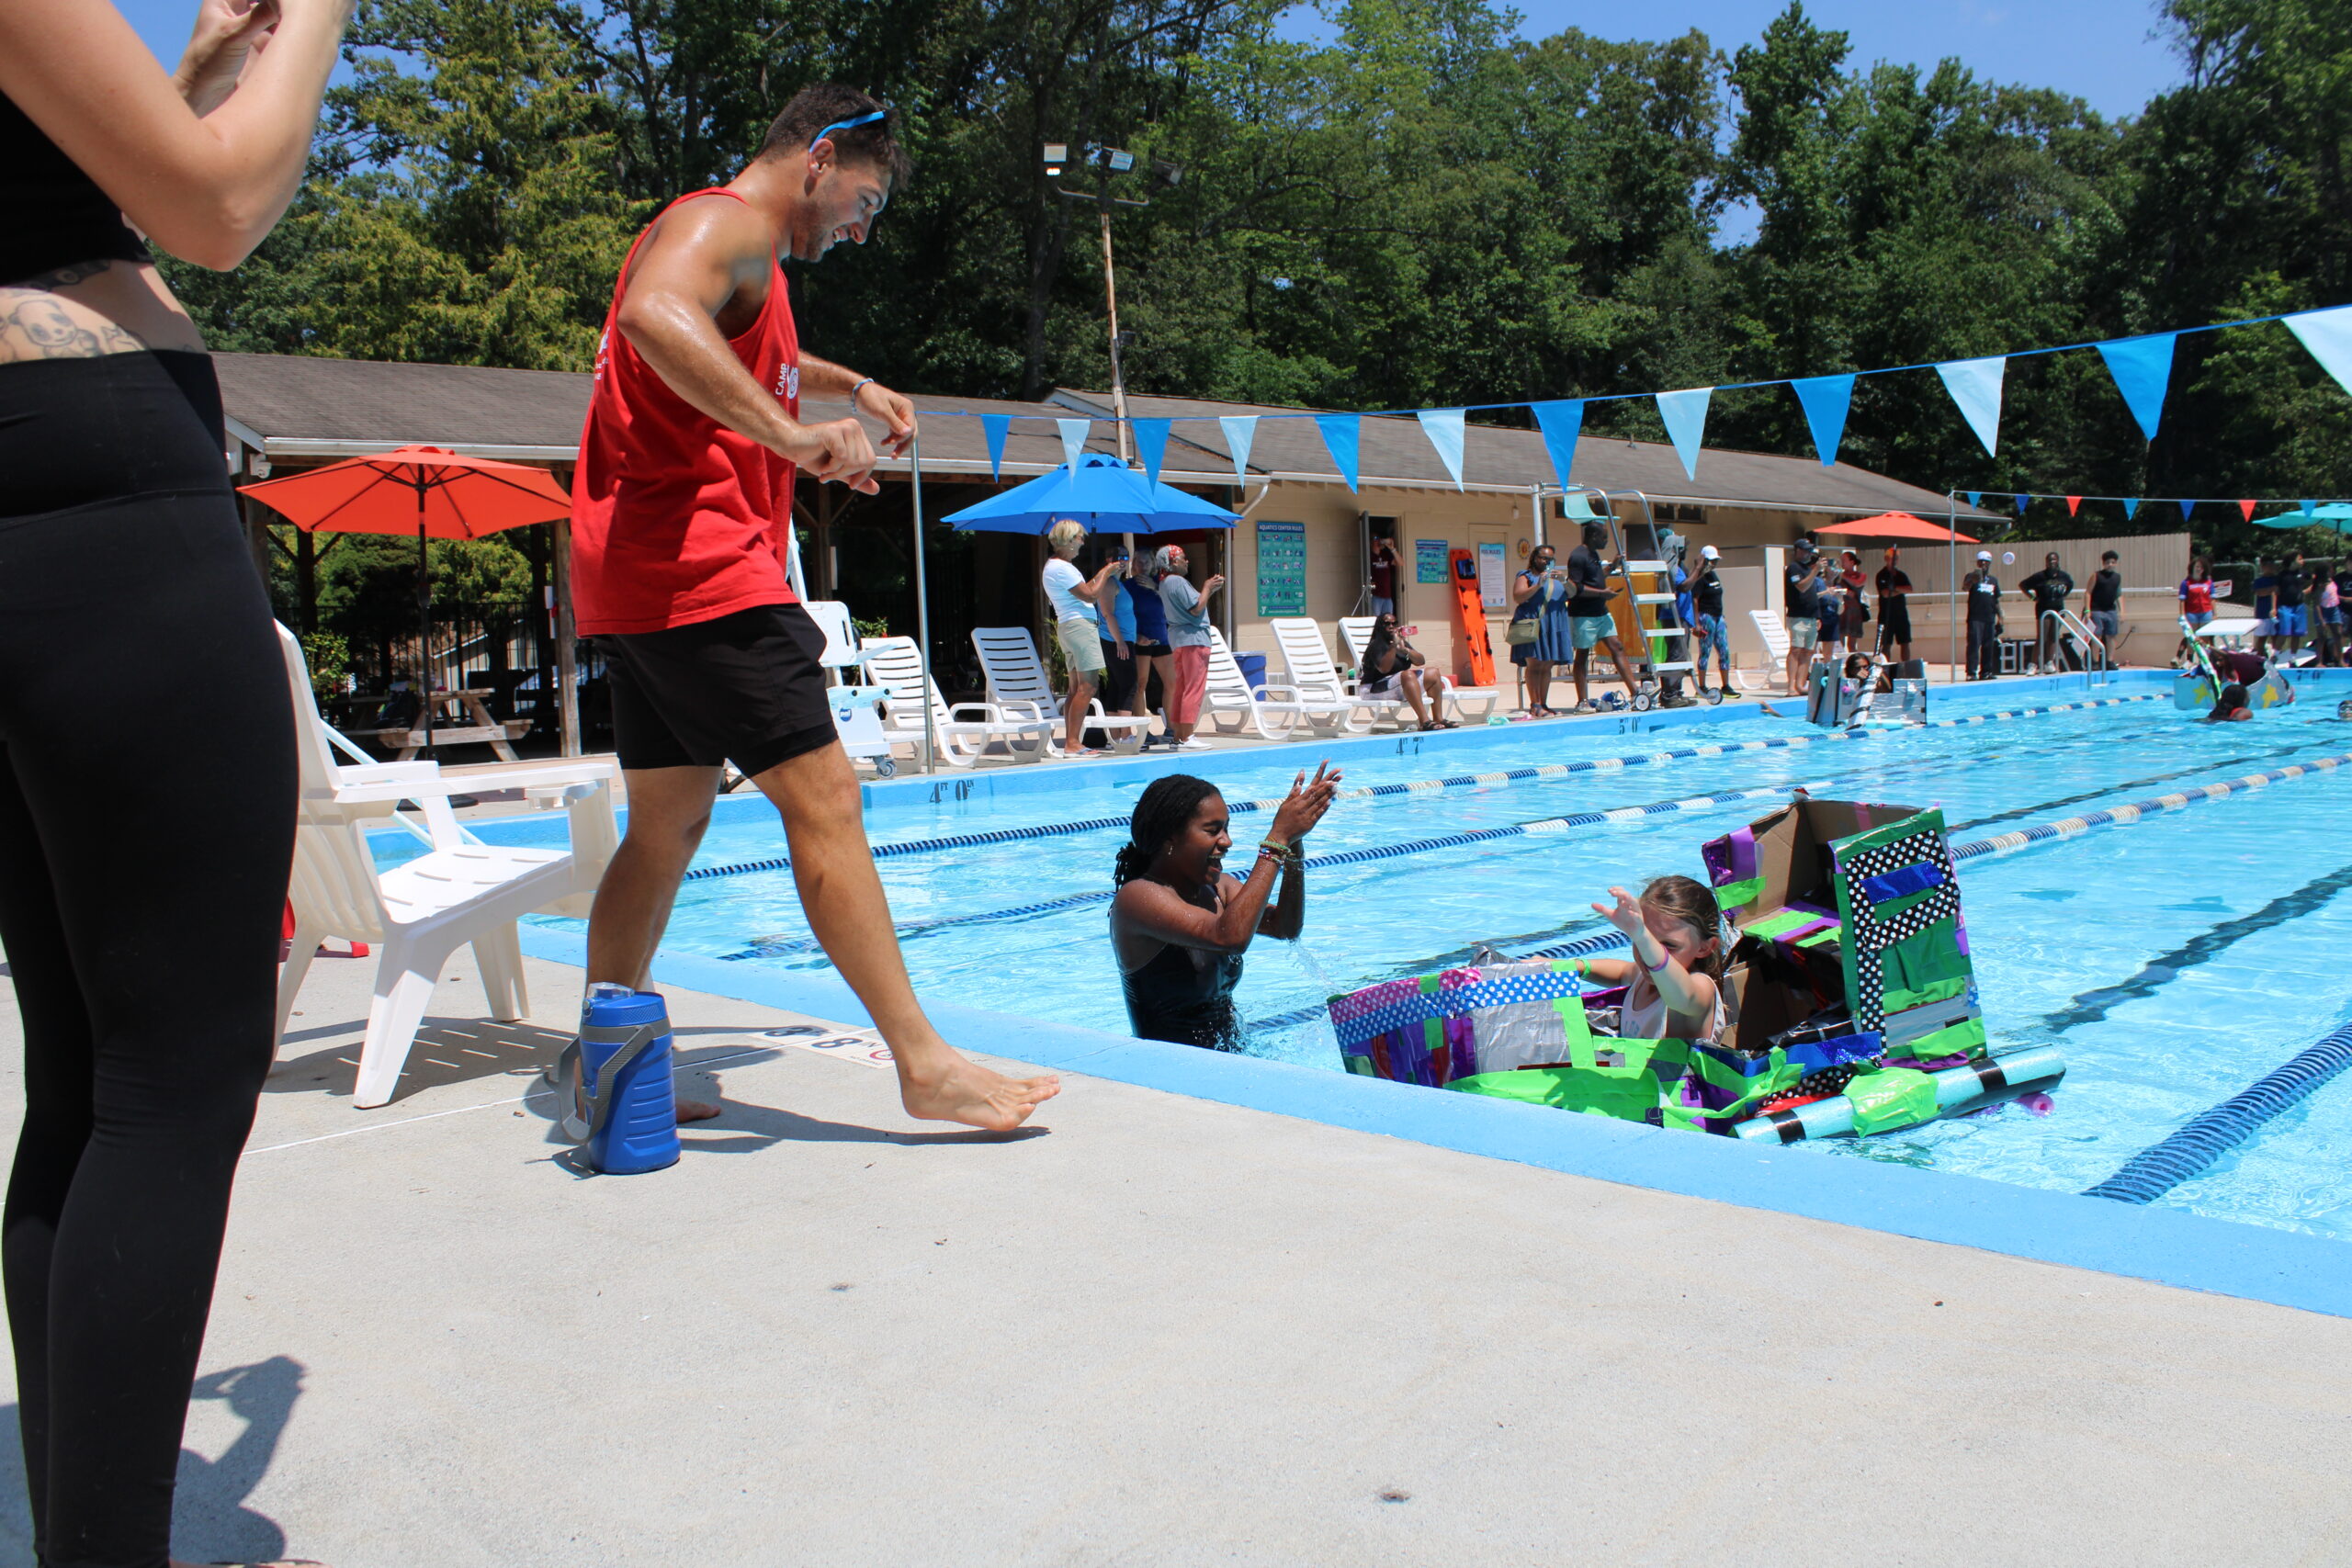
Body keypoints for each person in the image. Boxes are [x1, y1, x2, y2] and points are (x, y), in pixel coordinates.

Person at [1, 0, 350, 1560]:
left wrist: (193, 70)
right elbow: (218, 205)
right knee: (174, 1080)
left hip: (33, 491)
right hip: (93, 483)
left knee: (85, 1073)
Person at [568, 86, 1058, 1138]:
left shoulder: (736, 254)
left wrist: (851, 387)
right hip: (700, 572)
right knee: (828, 800)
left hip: (635, 575)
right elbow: (655, 316)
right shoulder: (724, 223)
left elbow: (754, 357)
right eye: (864, 203)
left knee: (664, 827)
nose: (859, 230)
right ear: (821, 157)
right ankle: (923, 1064)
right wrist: (794, 440)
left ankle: (610, 1054)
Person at [1110, 766, 1341, 1050]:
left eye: (1226, 828)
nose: (1227, 841)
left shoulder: (1219, 888)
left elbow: (1285, 927)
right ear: (1170, 838)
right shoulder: (1138, 897)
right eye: (1212, 830)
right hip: (1171, 1065)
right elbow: (1230, 937)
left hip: (1231, 1056)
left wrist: (1293, 843)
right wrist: (1276, 841)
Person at [1575, 876, 1728, 1043]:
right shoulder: (1643, 978)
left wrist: (1643, 937)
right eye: (1646, 940)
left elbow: (1681, 996)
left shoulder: (1700, 989)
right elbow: (1621, 972)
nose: (1647, 954)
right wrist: (1576, 967)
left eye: (1669, 945)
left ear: (1704, 948)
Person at [1040, 517, 1121, 757]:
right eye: (1079, 537)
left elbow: (1085, 589)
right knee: (1088, 686)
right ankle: (1073, 743)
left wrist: (1102, 573)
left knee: (1076, 688)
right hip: (1080, 627)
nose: (1083, 542)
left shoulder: (1055, 566)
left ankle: (1071, 742)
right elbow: (1091, 595)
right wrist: (1106, 572)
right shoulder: (1062, 568)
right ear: (1068, 539)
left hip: (1070, 627)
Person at [1566, 520, 1641, 711]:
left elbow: (1595, 578)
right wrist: (1602, 594)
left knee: (1617, 646)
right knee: (1582, 655)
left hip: (1601, 612)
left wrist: (1612, 567)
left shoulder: (1594, 554)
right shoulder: (1577, 556)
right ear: (1593, 536)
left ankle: (1636, 693)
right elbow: (1574, 587)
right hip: (1584, 614)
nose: (1606, 541)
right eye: (1604, 537)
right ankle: (1582, 701)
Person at [1157, 541, 1222, 750]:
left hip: (1178, 640)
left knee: (1182, 689)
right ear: (1173, 562)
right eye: (1183, 558)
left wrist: (1208, 591)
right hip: (1194, 639)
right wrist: (1207, 587)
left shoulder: (1165, 583)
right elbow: (1195, 608)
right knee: (1193, 689)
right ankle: (1187, 737)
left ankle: (1178, 736)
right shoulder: (1178, 581)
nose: (1187, 561)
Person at [1509, 542, 1575, 716]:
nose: (1546, 562)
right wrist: (1538, 585)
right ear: (1534, 558)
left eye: (1550, 559)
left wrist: (1564, 580)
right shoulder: (1526, 576)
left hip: (1554, 624)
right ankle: (1535, 704)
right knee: (1535, 663)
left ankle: (1543, 703)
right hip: (1535, 623)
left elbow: (1573, 592)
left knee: (1547, 665)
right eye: (1543, 558)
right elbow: (1518, 597)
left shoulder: (1557, 578)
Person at [1362, 613, 1454, 730]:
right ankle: (1424, 721)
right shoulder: (1375, 645)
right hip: (1372, 690)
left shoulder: (1400, 643)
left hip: (1395, 686)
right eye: (1387, 623)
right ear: (1380, 626)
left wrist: (1404, 649)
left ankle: (1438, 718)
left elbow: (1421, 661)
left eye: (1394, 623)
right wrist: (1394, 646)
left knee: (1433, 673)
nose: (1391, 626)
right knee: (1408, 675)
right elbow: (1384, 669)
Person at [1122, 552, 1174, 738]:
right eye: (1139, 562)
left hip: (1161, 638)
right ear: (1133, 565)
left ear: (1153, 564)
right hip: (1140, 640)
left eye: (1146, 561)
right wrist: (1135, 636)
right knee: (1140, 684)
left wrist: (1156, 588)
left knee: (1172, 682)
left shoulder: (1160, 584)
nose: (1143, 565)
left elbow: (1174, 604)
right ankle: (1143, 730)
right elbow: (1121, 614)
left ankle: (1171, 727)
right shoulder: (1127, 586)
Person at [1098, 543, 1139, 718]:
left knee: (1117, 685)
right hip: (1115, 640)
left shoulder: (1117, 583)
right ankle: (1126, 731)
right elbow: (1108, 614)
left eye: (1125, 557)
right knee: (1129, 685)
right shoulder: (1108, 582)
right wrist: (1120, 641)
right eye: (1118, 558)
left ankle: (1115, 732)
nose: (1123, 561)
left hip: (1122, 639)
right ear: (1109, 560)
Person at [2018, 551, 2075, 671]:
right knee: (2042, 637)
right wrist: (2033, 598)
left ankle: (2049, 662)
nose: (2052, 562)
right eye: (2050, 560)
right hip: (2043, 609)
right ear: (2046, 562)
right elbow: (2022, 585)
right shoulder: (2040, 577)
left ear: (2058, 561)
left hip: (2058, 609)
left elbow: (2070, 585)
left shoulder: (2063, 576)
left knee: (2053, 637)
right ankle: (2033, 664)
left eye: (2054, 559)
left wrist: (2063, 595)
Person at [1689, 544, 1731, 697]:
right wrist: (1696, 623)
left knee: (1724, 651)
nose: (1713, 564)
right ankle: (1701, 687)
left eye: (1715, 561)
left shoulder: (1713, 575)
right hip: (1706, 616)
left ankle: (1726, 685)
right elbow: (1694, 600)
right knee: (1705, 651)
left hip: (1718, 617)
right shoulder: (1700, 578)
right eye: (1711, 561)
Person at [1782, 538, 1824, 694]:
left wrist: (1818, 617)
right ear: (1798, 550)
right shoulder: (1794, 568)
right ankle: (1790, 687)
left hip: (1811, 617)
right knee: (1796, 650)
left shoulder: (1807, 569)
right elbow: (1801, 587)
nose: (1809, 554)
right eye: (1806, 550)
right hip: (1798, 616)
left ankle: (1800, 685)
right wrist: (1815, 570)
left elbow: (1812, 595)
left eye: (1810, 551)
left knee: (1808, 651)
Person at [1964, 549, 2003, 680]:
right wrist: (1973, 580)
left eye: (1986, 562)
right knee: (1974, 645)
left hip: (1989, 617)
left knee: (1988, 645)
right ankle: (1971, 672)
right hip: (1975, 617)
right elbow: (1965, 588)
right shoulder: (1971, 576)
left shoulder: (1993, 580)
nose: (1983, 564)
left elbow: (1996, 600)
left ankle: (1986, 672)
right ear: (1977, 563)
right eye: (1981, 562)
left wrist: (2001, 617)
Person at [1874, 546, 1914, 662]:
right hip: (1886, 614)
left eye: (1896, 558)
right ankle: (1886, 667)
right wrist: (1900, 590)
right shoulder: (1881, 575)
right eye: (1892, 558)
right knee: (1886, 644)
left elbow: (1909, 589)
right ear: (1886, 558)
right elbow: (1885, 593)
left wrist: (1894, 588)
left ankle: (1906, 666)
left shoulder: (1901, 575)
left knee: (1905, 642)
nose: (1895, 561)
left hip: (1901, 614)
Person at [2177, 555, 2219, 665]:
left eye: (2201, 567)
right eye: (2197, 566)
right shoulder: (2186, 583)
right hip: (2192, 613)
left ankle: (2203, 662)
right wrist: (2182, 615)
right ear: (2192, 567)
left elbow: (2212, 599)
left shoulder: (2208, 582)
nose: (2199, 569)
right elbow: (2182, 600)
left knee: (2205, 638)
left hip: (2206, 613)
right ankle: (2189, 661)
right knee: (2191, 638)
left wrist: (2214, 614)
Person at [2086, 549, 2123, 664]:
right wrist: (2088, 610)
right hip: (2097, 610)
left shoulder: (2117, 577)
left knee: (2111, 635)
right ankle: (2095, 661)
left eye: (2112, 562)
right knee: (2097, 635)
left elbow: (2119, 595)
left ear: (2116, 563)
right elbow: (2088, 592)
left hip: (2110, 610)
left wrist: (2122, 611)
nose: (2110, 565)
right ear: (2103, 563)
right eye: (2107, 562)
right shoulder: (2097, 576)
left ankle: (2109, 661)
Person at [2272, 550, 2311, 660]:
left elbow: (2316, 580)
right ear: (2292, 561)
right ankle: (2275, 656)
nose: (2302, 561)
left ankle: (2293, 658)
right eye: (2300, 559)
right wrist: (2273, 608)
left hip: (2299, 607)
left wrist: (2305, 591)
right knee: (2284, 632)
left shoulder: (2303, 573)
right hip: (2285, 607)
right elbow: (2275, 592)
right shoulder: (2282, 575)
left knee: (2297, 633)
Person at [1368, 534, 1399, 619]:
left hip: (1387, 596)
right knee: (1376, 620)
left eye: (1379, 538)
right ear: (1371, 542)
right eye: (1375, 538)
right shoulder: (1370, 556)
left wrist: (1392, 549)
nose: (1378, 540)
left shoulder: (1385, 555)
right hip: (1376, 595)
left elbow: (1401, 563)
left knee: (1388, 620)